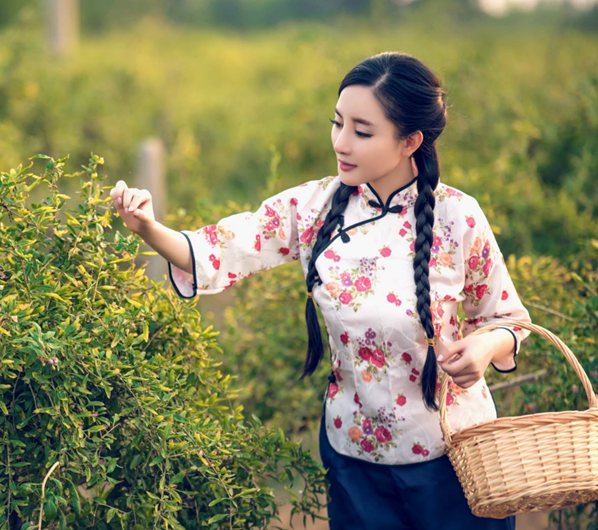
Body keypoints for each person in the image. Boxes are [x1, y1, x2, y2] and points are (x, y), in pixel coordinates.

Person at [110, 51, 532, 530]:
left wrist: (484, 347)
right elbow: (223, 249)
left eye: (363, 131)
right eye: (338, 124)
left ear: (410, 140)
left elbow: (509, 318)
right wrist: (147, 227)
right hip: (353, 454)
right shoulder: (312, 206)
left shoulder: (457, 215)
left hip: (455, 456)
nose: (342, 143)